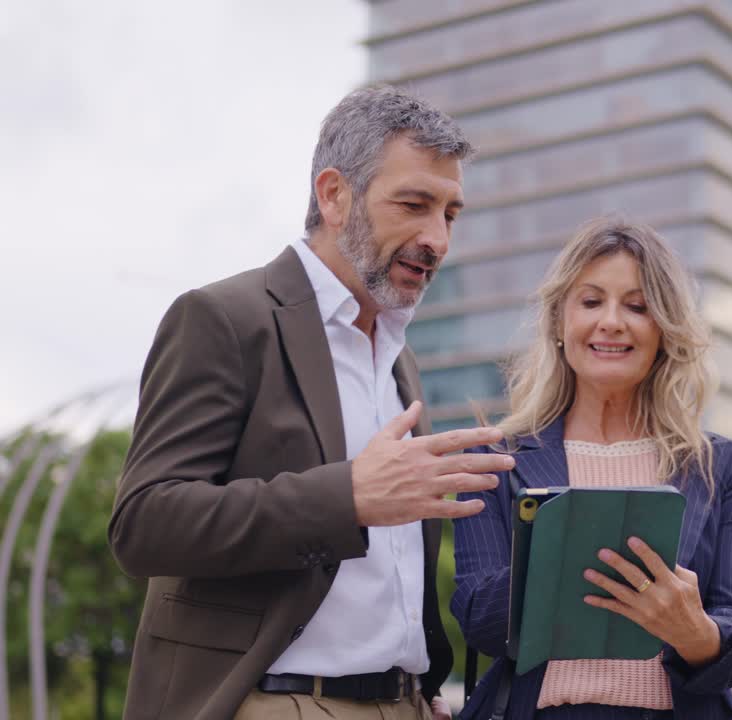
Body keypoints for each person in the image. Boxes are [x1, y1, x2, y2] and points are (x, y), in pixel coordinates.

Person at [108, 86, 515, 720]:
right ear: (333, 195)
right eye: (414, 205)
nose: (436, 238)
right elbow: (144, 525)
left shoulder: (399, 357)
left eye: (450, 214)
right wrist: (348, 496)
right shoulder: (224, 319)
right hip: (272, 702)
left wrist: (416, 689)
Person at [452, 218, 732, 719]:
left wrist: (697, 633)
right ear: (559, 322)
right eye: (591, 301)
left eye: (637, 306)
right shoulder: (496, 459)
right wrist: (562, 556)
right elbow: (478, 621)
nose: (612, 322)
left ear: (664, 330)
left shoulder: (722, 466)